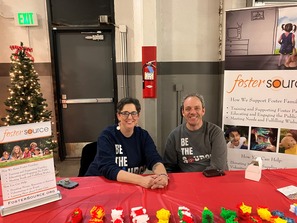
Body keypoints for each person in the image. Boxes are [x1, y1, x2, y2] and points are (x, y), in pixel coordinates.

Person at [85, 97, 168, 189]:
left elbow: (154, 159)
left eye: (133, 113)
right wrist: (141, 180)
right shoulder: (107, 135)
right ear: (118, 116)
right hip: (99, 184)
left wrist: (163, 175)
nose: (130, 117)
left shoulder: (143, 135)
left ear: (138, 115)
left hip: (128, 185)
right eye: (125, 113)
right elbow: (108, 168)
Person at [163, 93, 228, 172]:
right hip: (185, 182)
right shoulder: (174, 136)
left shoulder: (216, 133)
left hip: (212, 180)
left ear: (203, 111)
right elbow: (169, 168)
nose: (193, 112)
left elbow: (217, 167)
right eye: (188, 109)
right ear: (183, 112)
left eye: (197, 108)